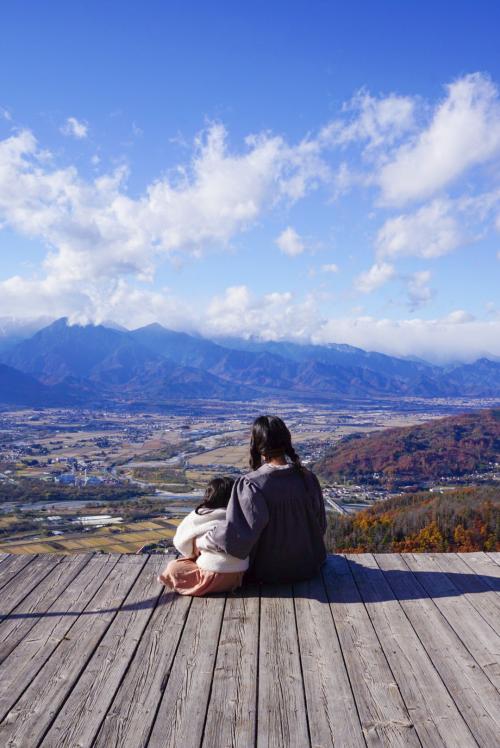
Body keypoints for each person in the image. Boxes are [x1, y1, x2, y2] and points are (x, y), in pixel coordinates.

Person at [195, 415, 327, 584]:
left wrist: (204, 540)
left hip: (266, 573)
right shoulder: (308, 479)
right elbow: (320, 526)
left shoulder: (252, 485)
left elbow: (236, 540)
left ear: (258, 446)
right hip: (309, 567)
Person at [157, 476, 248, 596]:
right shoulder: (240, 516)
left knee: (173, 567)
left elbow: (181, 543)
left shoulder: (198, 516)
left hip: (210, 576)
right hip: (237, 576)